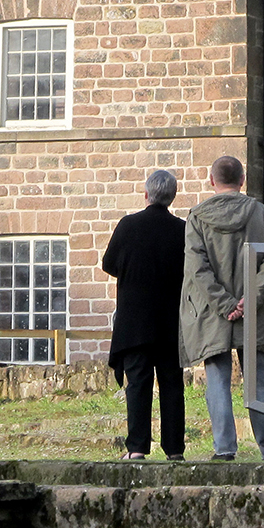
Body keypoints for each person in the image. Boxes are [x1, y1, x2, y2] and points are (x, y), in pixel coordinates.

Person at [179, 155, 264, 461]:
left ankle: (224, 448)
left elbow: (197, 268)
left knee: (217, 379)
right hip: (252, 311)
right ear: (242, 180)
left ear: (211, 180)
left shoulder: (197, 218)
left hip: (211, 313)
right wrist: (249, 299)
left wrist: (224, 303)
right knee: (258, 380)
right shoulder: (263, 214)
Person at [102, 169, 187, 461]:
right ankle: (174, 449)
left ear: (146, 193)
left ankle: (137, 448)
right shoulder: (182, 230)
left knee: (138, 384)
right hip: (170, 322)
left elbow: (109, 263)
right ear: (172, 196)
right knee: (172, 384)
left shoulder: (128, 226)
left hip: (135, 321)